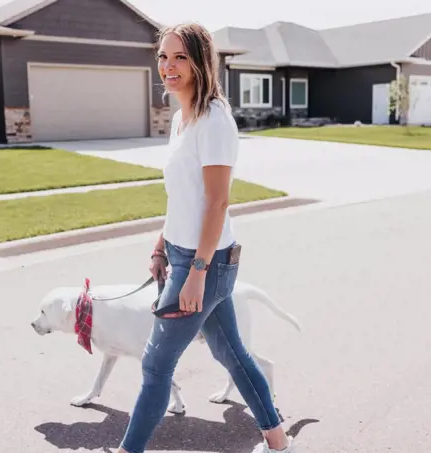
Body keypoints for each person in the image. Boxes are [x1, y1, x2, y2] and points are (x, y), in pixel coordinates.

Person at [115, 22, 296, 453]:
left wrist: (196, 271)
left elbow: (217, 203)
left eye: (179, 57)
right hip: (184, 254)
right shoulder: (181, 118)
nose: (168, 66)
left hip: (206, 261)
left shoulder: (214, 120)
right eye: (163, 56)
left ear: (200, 62)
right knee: (231, 353)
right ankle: (278, 440)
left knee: (156, 364)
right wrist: (161, 244)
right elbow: (184, 196)